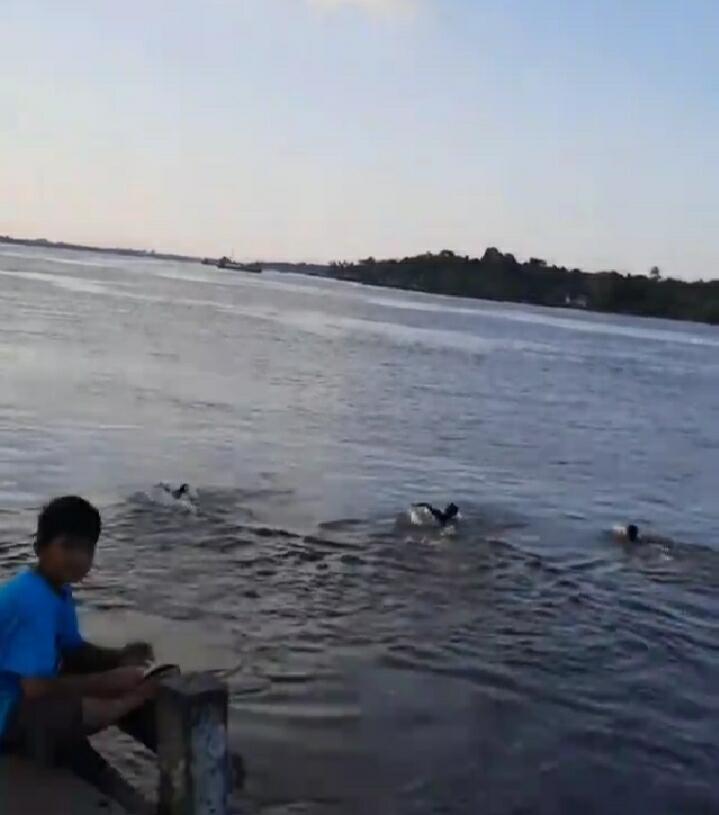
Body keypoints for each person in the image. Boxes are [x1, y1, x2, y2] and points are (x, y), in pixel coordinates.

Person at [0, 496, 159, 769]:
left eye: (86, 549)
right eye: (68, 546)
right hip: (7, 711)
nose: (78, 558)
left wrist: (119, 657)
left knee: (119, 683)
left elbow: (73, 650)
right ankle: (130, 703)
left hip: (18, 696)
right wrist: (110, 683)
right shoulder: (31, 599)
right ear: (40, 547)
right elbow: (35, 688)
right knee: (75, 704)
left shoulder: (56, 589)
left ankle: (186, 757)